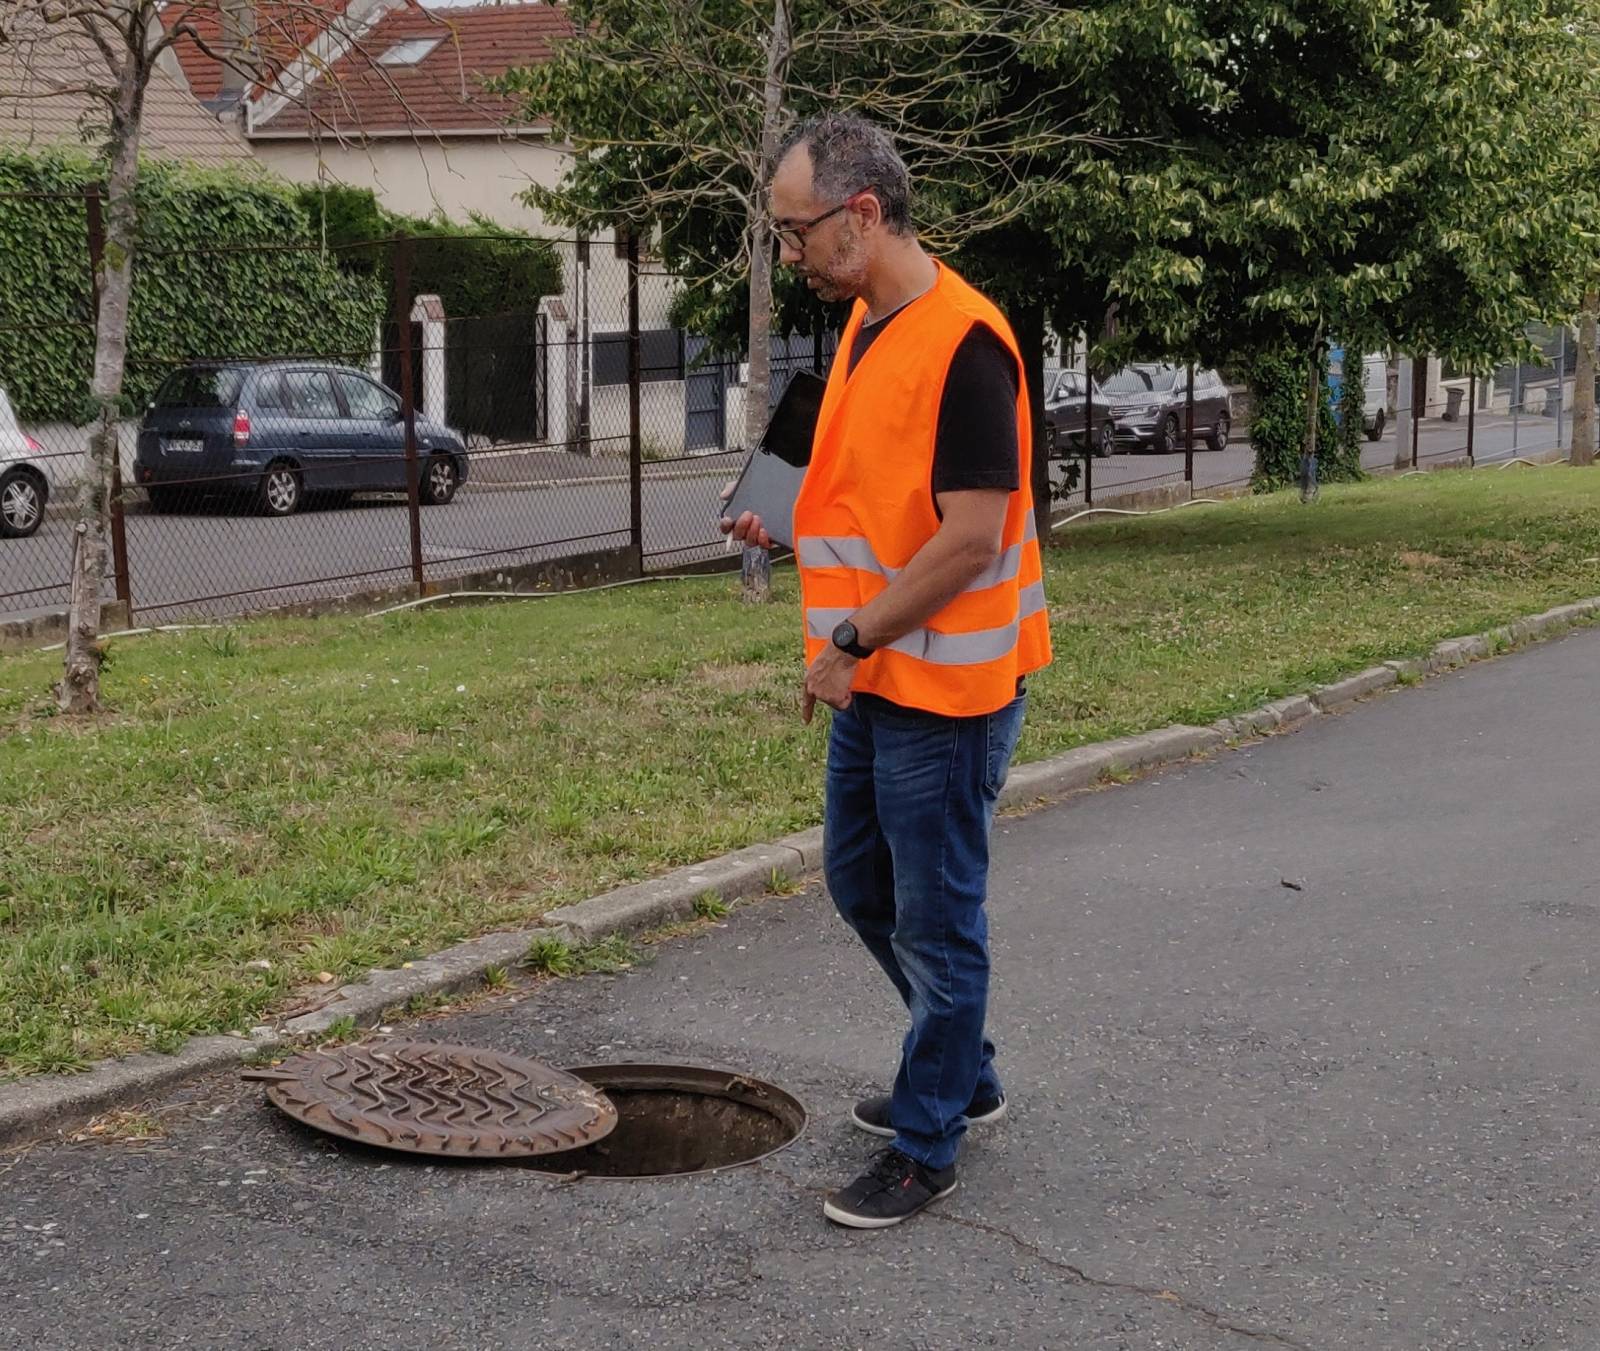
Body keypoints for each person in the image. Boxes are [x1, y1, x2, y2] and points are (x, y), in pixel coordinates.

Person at [723, 113, 1052, 1228]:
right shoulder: (867, 324)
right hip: (876, 677)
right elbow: (867, 495)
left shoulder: (966, 340)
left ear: (861, 217)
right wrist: (788, 530)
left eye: (798, 232)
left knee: (937, 919)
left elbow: (966, 538)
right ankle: (967, 1071)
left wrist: (850, 642)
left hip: (945, 691)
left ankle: (927, 1144)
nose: (791, 255)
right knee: (863, 887)